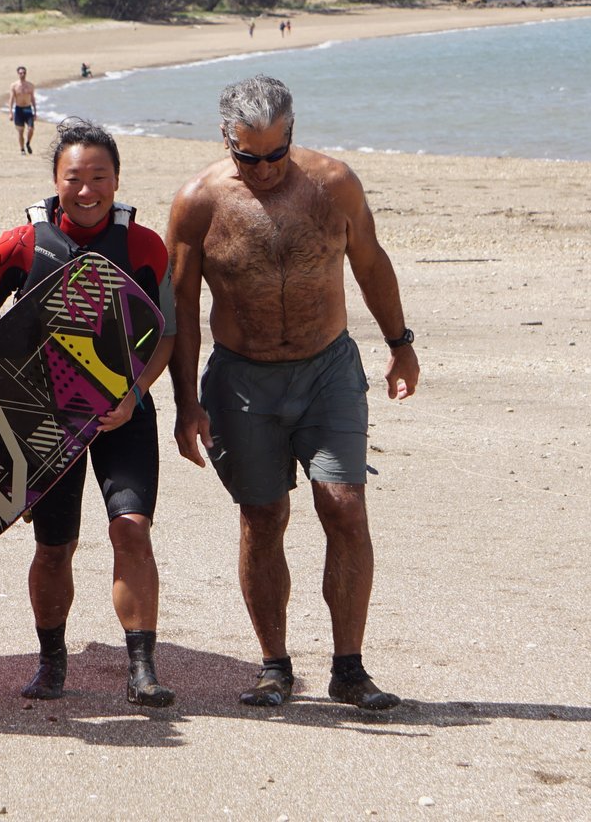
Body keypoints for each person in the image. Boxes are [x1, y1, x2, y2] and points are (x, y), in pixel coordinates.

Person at [166, 74, 419, 712]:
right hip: (240, 378)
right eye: (248, 155)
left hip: (327, 370)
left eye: (276, 154)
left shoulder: (333, 185)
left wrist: (400, 342)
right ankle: (274, 667)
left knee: (344, 505)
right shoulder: (198, 201)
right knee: (263, 517)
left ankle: (350, 669)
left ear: (292, 135)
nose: (264, 169)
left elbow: (370, 262)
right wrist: (186, 401)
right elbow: (181, 309)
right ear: (225, 138)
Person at [0, 118, 179, 707]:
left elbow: (167, 333)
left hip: (122, 414)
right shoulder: (21, 245)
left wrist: (134, 395)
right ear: (54, 179)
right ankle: (51, 663)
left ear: (117, 180)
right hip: (47, 421)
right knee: (54, 547)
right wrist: (4, 393)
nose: (86, 191)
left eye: (99, 177)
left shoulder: (144, 245)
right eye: (73, 178)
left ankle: (142, 667)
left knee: (130, 531)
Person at [8, 65, 37, 155]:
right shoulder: (14, 86)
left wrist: (35, 111)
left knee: (31, 129)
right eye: (21, 73)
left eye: (24, 73)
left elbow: (32, 99)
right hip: (19, 109)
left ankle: (28, 143)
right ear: (18, 74)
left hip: (28, 109)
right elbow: (11, 99)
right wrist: (10, 112)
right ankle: (22, 149)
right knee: (20, 131)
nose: (22, 74)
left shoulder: (30, 85)